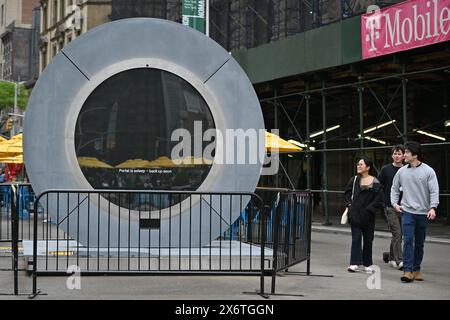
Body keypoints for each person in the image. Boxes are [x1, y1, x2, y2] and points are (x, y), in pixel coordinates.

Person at [391, 141, 439, 283]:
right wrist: (395, 204)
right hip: (407, 212)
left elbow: (434, 191)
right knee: (408, 240)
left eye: (406, 152)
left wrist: (433, 207)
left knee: (419, 243)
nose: (404, 155)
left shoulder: (428, 171)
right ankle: (407, 270)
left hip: (423, 213)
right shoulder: (402, 172)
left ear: (415, 155)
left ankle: (416, 269)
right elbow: (394, 188)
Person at [344, 157, 385, 273]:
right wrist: (349, 204)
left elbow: (379, 200)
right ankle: (354, 263)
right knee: (356, 238)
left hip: (368, 215)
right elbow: (347, 193)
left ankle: (367, 263)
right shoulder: (354, 180)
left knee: (368, 239)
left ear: (368, 167)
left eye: (361, 164)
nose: (358, 166)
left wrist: (369, 209)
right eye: (358, 164)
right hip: (355, 214)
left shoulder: (375, 182)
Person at [378, 145, 405, 270]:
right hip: (389, 206)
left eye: (399, 153)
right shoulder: (386, 169)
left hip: (405, 206)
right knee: (397, 233)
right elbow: (379, 186)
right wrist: (384, 202)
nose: (397, 156)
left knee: (397, 234)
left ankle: (391, 258)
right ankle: (399, 260)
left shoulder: (407, 169)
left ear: (404, 155)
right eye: (395, 153)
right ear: (392, 155)